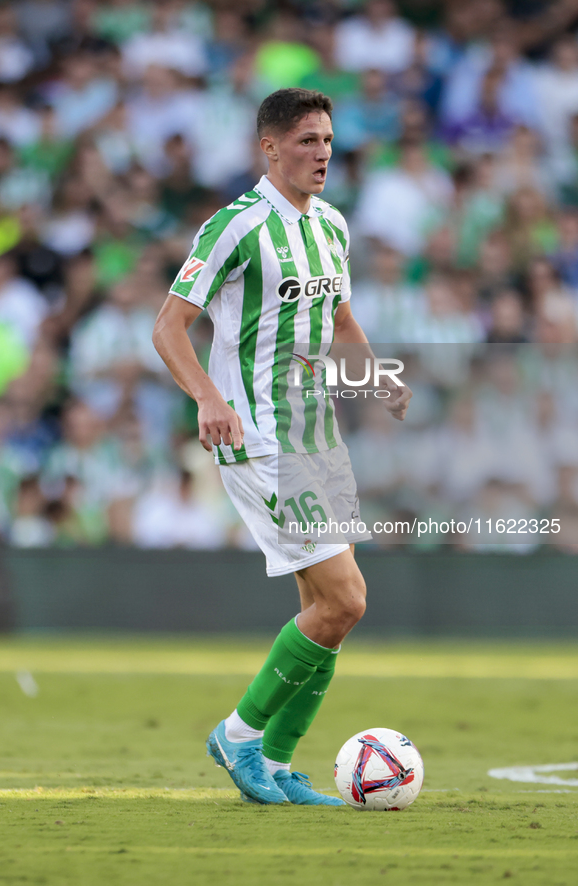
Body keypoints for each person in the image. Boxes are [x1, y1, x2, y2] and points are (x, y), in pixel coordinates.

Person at [152, 88, 412, 807]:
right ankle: (237, 737)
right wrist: (208, 397)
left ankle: (275, 763)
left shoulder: (330, 225)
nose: (321, 152)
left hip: (315, 433)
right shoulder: (234, 227)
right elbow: (169, 325)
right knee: (344, 599)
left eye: (327, 139)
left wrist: (375, 379)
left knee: (329, 609)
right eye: (305, 141)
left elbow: (339, 313)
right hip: (259, 435)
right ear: (269, 148)